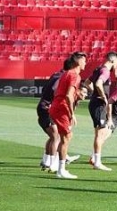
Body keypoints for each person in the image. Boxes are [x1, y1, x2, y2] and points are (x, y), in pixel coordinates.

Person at [83, 51, 117, 171]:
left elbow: (87, 82)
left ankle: (96, 160)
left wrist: (94, 93)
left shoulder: (98, 69)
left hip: (95, 104)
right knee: (101, 133)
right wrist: (102, 96)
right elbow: (98, 83)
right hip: (98, 105)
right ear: (112, 60)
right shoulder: (105, 71)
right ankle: (97, 162)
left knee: (100, 132)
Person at [49, 51, 87, 179]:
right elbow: (68, 95)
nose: (85, 63)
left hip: (56, 106)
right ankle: (61, 170)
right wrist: (72, 114)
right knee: (66, 137)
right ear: (78, 61)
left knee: (63, 137)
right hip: (61, 108)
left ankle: (56, 165)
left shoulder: (66, 74)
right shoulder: (75, 75)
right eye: (84, 60)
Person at [38, 57, 81, 173]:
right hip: (49, 107)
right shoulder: (63, 77)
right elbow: (55, 90)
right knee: (57, 136)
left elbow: (45, 89)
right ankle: (53, 164)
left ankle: (46, 161)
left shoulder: (56, 74)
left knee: (54, 136)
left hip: (44, 105)